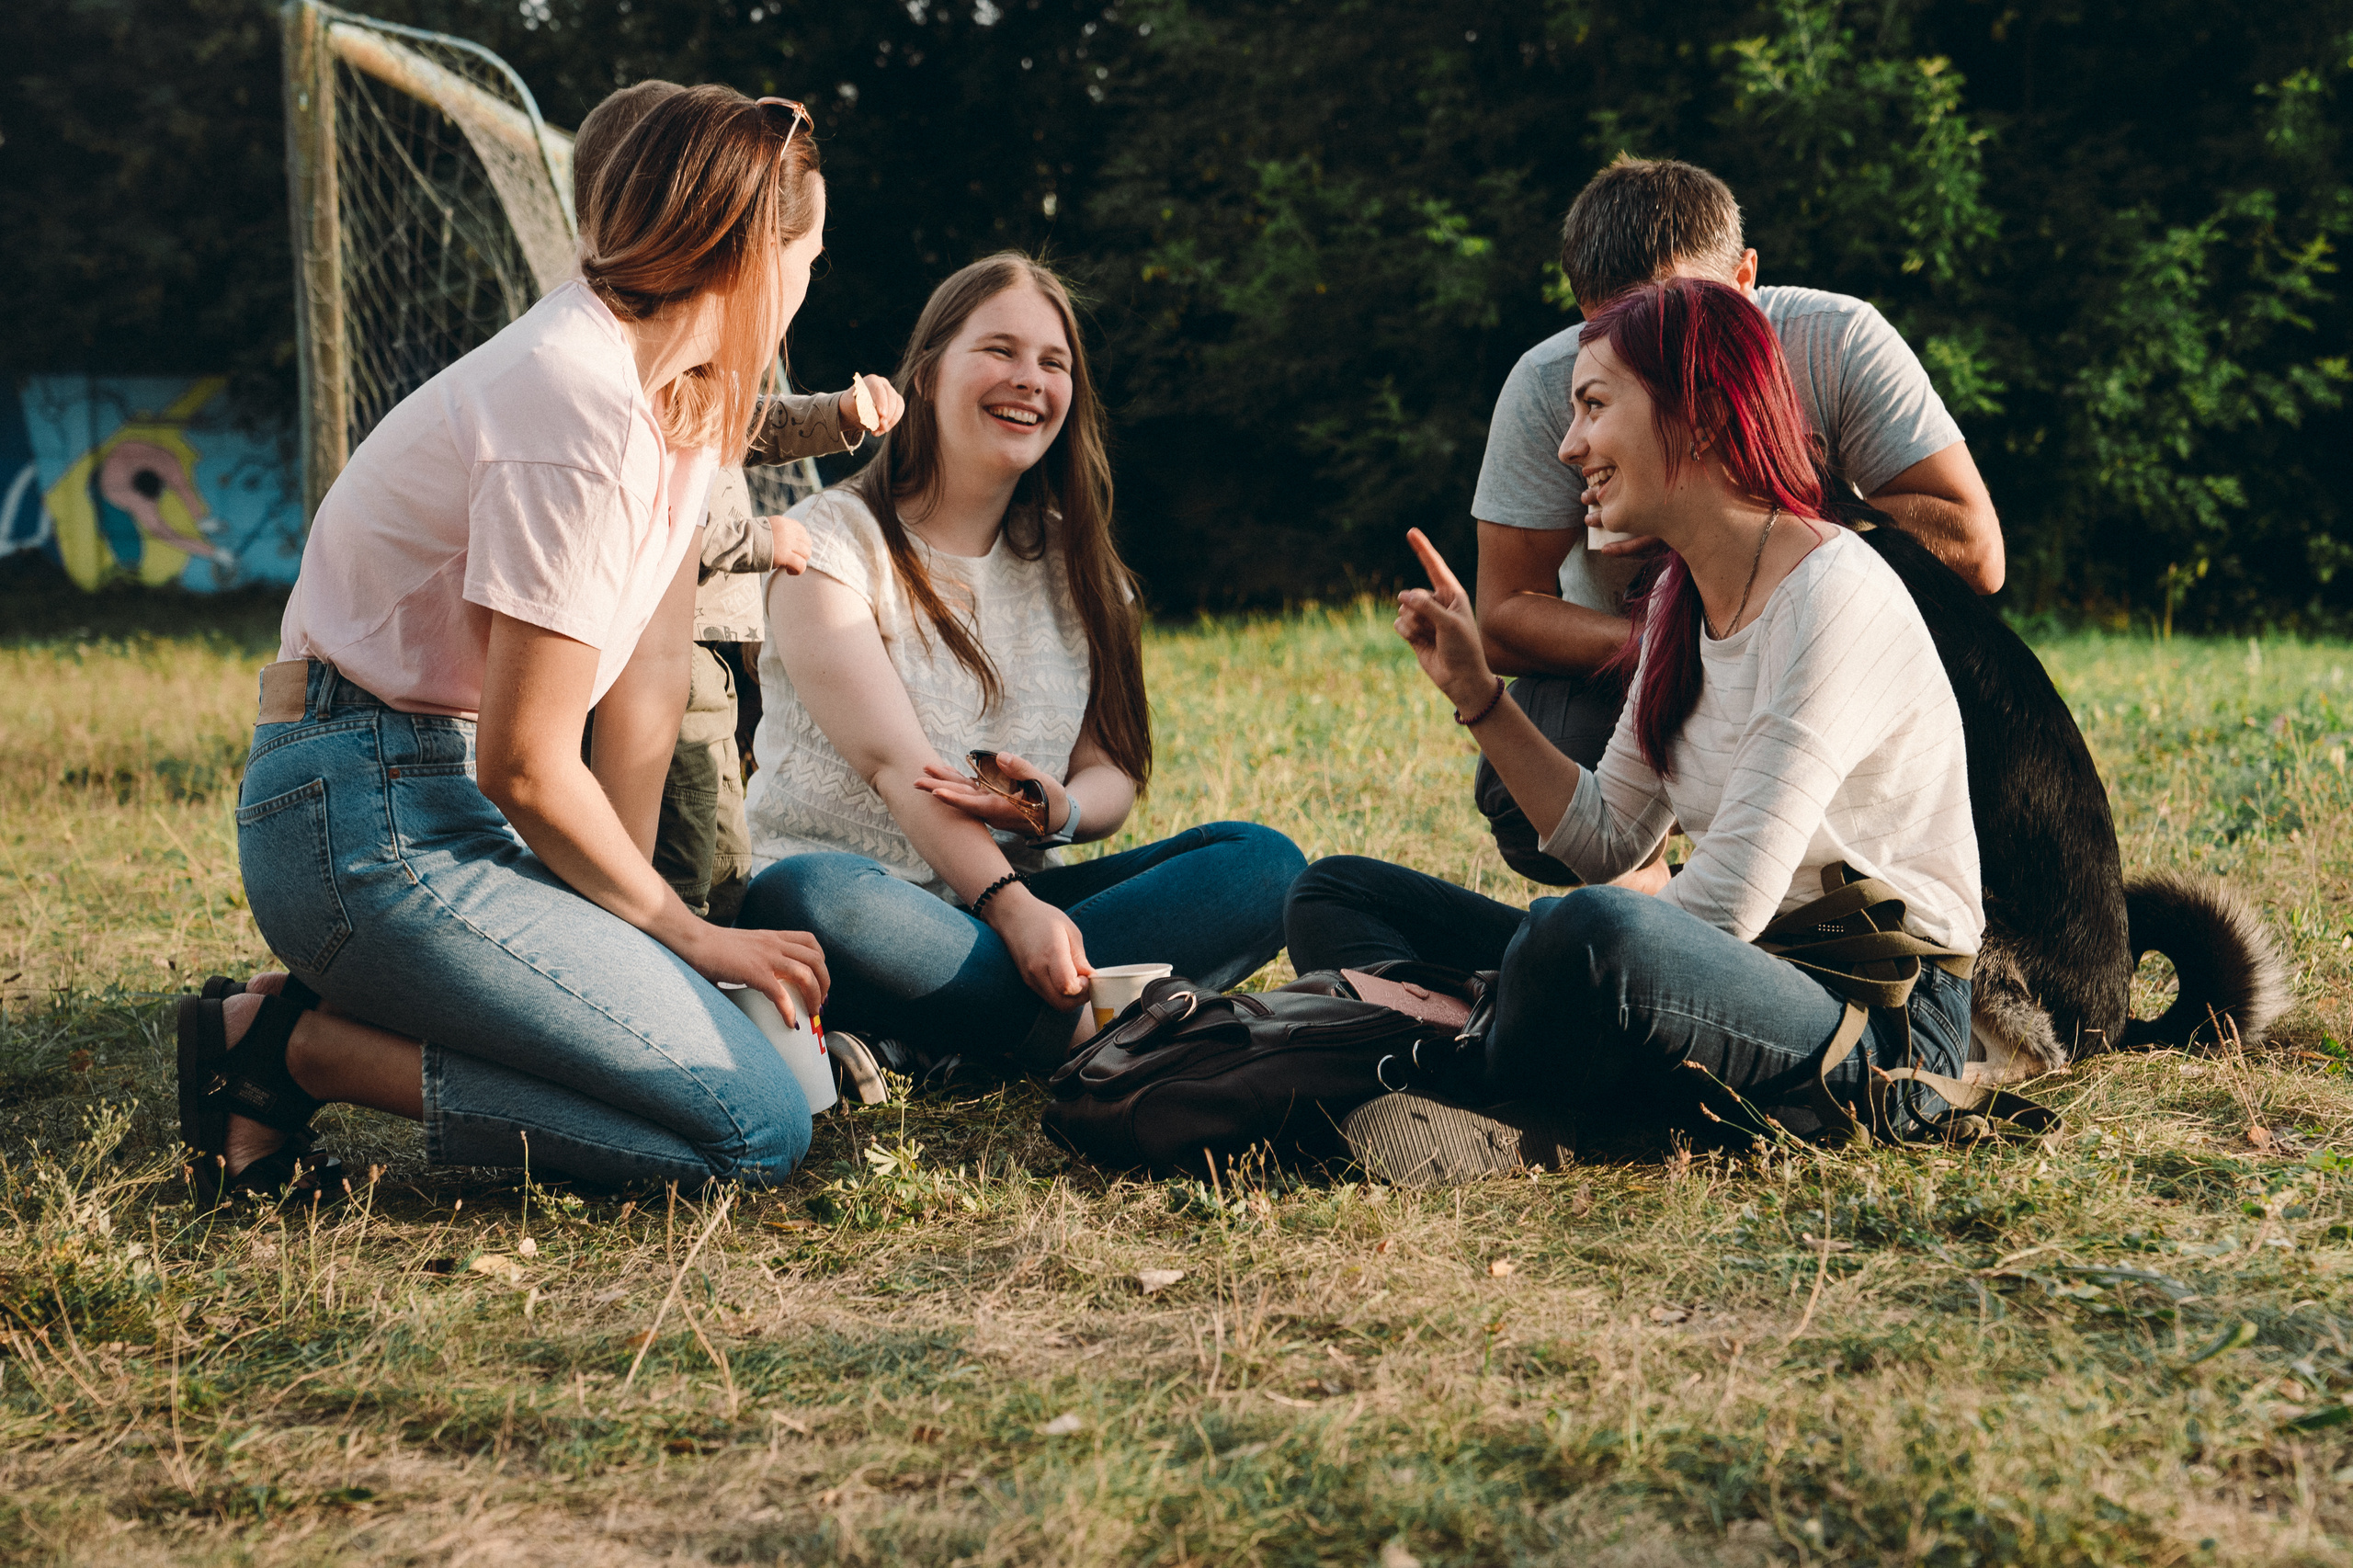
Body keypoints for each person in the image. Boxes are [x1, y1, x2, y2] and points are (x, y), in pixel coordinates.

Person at [179, 86, 837, 1201]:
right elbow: (528, 760)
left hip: (448, 800)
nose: (810, 286)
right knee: (750, 1132)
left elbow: (643, 695)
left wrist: (636, 934)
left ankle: (321, 1016)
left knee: (719, 1083)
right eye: (809, 257)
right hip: (360, 814)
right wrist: (686, 933)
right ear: (746, 255)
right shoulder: (571, 408)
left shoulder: (669, 408)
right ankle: (293, 1048)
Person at [1288, 278, 1981, 1181]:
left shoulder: (1829, 595)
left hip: (1879, 1027)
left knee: (1589, 935)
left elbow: (1723, 906)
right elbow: (1608, 834)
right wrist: (1476, 694)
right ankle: (1495, 1055)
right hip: (1736, 973)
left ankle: (1486, 1084)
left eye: (1593, 405)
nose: (1569, 444)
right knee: (1335, 895)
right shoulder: (1674, 599)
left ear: (1693, 415)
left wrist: (1569, 952)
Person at [735, 254, 1306, 1077]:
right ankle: (1080, 1031)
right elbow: (899, 768)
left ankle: (951, 1037)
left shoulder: (1081, 568)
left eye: (1054, 362)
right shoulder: (827, 545)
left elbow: (1111, 770)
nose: (1029, 379)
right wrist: (1011, 910)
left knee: (1264, 865)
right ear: (927, 375)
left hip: (1026, 908)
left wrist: (1053, 809)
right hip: (873, 908)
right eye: (1000, 351)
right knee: (810, 895)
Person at [1473, 156, 2002, 882]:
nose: (1652, 355)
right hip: (1641, 671)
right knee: (1528, 770)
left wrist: (1731, 522)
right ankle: (1647, 889)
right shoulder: (1547, 384)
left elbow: (1975, 548)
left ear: (1746, 277)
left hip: (1830, 655)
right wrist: (1670, 644)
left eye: (1678, 316)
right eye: (1617, 327)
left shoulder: (1838, 339)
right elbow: (1502, 614)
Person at [563, 78, 906, 925]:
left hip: (716, 640)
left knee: (707, 793)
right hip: (684, 651)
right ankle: (696, 943)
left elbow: (747, 427)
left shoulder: (697, 368)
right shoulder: (629, 384)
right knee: (703, 829)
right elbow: (667, 521)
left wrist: (834, 416)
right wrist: (766, 540)